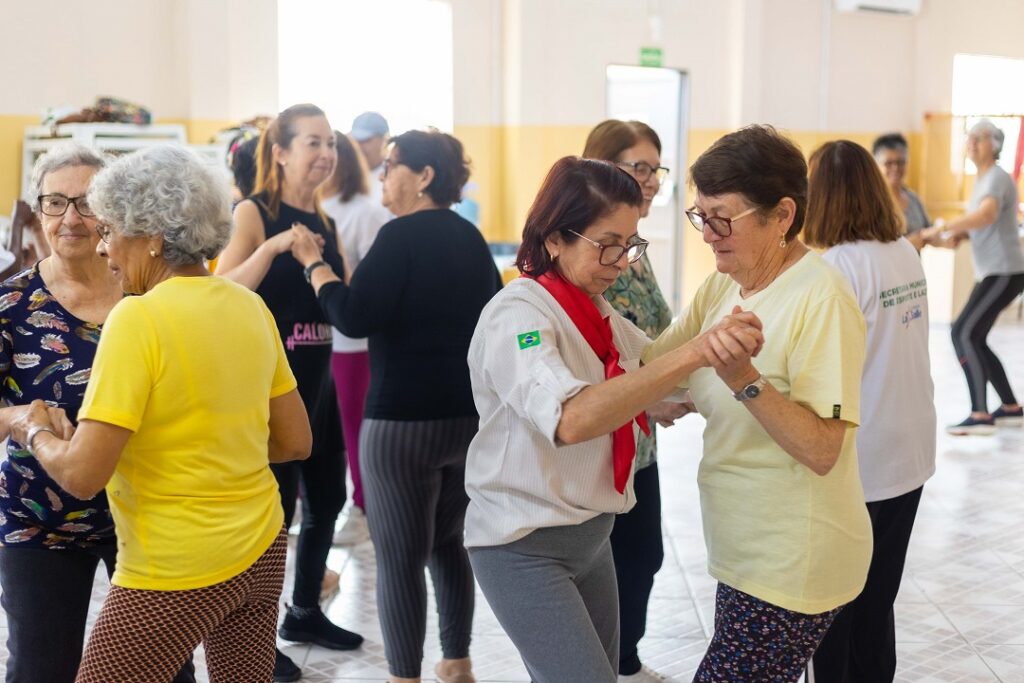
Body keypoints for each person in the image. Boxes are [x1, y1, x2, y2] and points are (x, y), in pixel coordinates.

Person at [6, 144, 312, 682]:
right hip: (261, 551)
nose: (104, 247)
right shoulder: (249, 306)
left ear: (151, 236)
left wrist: (32, 428)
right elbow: (292, 442)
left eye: (111, 230)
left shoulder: (137, 318)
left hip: (174, 564)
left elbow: (82, 475)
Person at [463, 156, 764, 683]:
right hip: (524, 545)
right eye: (608, 243)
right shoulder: (521, 315)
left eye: (630, 243)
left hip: (589, 538)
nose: (622, 260)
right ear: (555, 237)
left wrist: (740, 366)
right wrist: (695, 352)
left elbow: (658, 377)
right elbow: (572, 419)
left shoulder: (595, 311)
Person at [643, 125, 872, 682]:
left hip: (794, 558)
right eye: (701, 216)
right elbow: (654, 368)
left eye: (722, 218)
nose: (707, 234)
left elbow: (822, 449)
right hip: (744, 549)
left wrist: (743, 379)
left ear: (783, 216)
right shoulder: (723, 287)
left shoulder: (822, 298)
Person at [291, 128, 501, 683]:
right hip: (464, 419)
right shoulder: (470, 239)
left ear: (424, 176)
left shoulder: (399, 236)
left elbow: (354, 317)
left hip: (402, 425)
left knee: (401, 559)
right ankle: (456, 663)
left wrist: (317, 265)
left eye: (390, 166)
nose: (381, 175)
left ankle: (405, 676)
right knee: (449, 546)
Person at [0, 145, 193, 683]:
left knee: (166, 671)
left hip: (145, 517)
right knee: (42, 669)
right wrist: (19, 418)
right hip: (41, 521)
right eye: (56, 202)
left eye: (87, 203)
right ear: (39, 211)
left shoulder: (152, 299)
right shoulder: (12, 306)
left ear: (113, 213)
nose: (71, 219)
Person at [215, 103, 362, 682]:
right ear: (279, 151)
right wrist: (272, 249)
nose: (326, 154)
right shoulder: (254, 212)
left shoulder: (325, 222)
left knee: (327, 501)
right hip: (267, 393)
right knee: (274, 516)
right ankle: (257, 636)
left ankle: (303, 612)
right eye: (313, 143)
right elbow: (221, 287)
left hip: (319, 387)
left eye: (331, 144)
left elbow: (340, 299)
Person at [803, 140, 936, 683]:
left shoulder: (835, 268)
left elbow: (823, 376)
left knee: (836, 607)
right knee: (879, 601)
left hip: (863, 462)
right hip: (911, 451)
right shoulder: (902, 249)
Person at [582, 119, 687, 683]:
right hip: (606, 440)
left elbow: (659, 335)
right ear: (604, 169)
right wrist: (650, 400)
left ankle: (623, 661)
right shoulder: (592, 255)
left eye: (655, 168)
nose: (650, 180)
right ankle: (607, 666)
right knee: (613, 565)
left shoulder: (635, 252)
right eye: (638, 167)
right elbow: (593, 364)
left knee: (643, 558)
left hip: (640, 441)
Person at [920, 119, 1024, 434]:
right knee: (974, 335)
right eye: (970, 138)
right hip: (997, 271)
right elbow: (986, 224)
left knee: (962, 332)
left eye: (979, 138)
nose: (972, 143)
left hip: (1004, 270)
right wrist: (963, 236)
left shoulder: (995, 177)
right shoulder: (983, 180)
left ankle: (980, 414)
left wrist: (947, 227)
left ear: (994, 145)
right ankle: (1011, 407)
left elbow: (987, 215)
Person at [320, 131, 391, 546]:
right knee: (328, 430)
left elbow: (367, 281)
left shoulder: (365, 211)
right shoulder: (314, 207)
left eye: (329, 152)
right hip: (319, 339)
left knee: (354, 428)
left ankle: (363, 507)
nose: (322, 161)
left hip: (354, 343)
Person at [872, 133, 932, 250]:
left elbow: (928, 230)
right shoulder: (870, 203)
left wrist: (945, 237)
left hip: (913, 267)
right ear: (876, 165)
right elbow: (869, 249)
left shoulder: (913, 199)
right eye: (888, 163)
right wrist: (908, 244)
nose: (895, 168)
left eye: (900, 162)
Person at [350, 111, 390, 204]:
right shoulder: (343, 177)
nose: (359, 146)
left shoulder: (392, 179)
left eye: (366, 140)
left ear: (384, 140)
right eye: (355, 140)